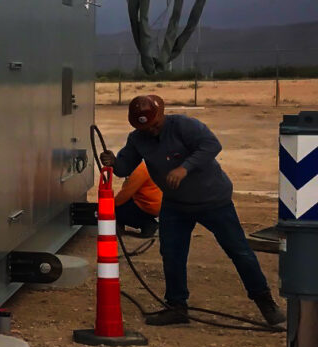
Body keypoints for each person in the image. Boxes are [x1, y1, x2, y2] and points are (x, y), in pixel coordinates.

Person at [100, 94, 284, 327]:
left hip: (213, 201)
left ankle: (265, 302)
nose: (152, 131)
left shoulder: (184, 126)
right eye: (144, 127)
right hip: (175, 205)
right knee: (172, 254)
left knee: (240, 251)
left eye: (155, 125)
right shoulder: (138, 139)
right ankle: (177, 306)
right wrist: (113, 161)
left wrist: (184, 168)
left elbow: (212, 145)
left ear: (162, 113)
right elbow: (124, 167)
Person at [113, 160, 160, 237]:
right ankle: (148, 221)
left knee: (116, 210)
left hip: (150, 206)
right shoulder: (146, 165)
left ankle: (148, 224)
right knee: (125, 203)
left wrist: (110, 205)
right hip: (157, 203)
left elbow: (124, 194)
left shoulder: (139, 169)